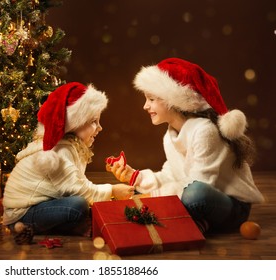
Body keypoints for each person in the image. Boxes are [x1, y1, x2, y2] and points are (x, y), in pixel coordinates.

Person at [109, 58, 264, 233]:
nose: (145, 106)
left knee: (195, 193)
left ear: (174, 101)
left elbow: (200, 184)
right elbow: (172, 174)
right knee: (139, 193)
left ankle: (192, 222)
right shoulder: (170, 135)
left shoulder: (206, 131)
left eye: (151, 99)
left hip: (230, 206)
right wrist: (137, 178)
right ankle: (196, 224)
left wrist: (153, 196)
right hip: (198, 198)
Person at [3, 82, 134, 237]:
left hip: (39, 207)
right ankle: (67, 227)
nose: (100, 128)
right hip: (22, 215)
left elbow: (76, 184)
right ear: (75, 122)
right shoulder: (60, 151)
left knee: (80, 204)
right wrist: (112, 191)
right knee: (77, 205)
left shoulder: (70, 146)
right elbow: (79, 190)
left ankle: (68, 227)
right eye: (94, 121)